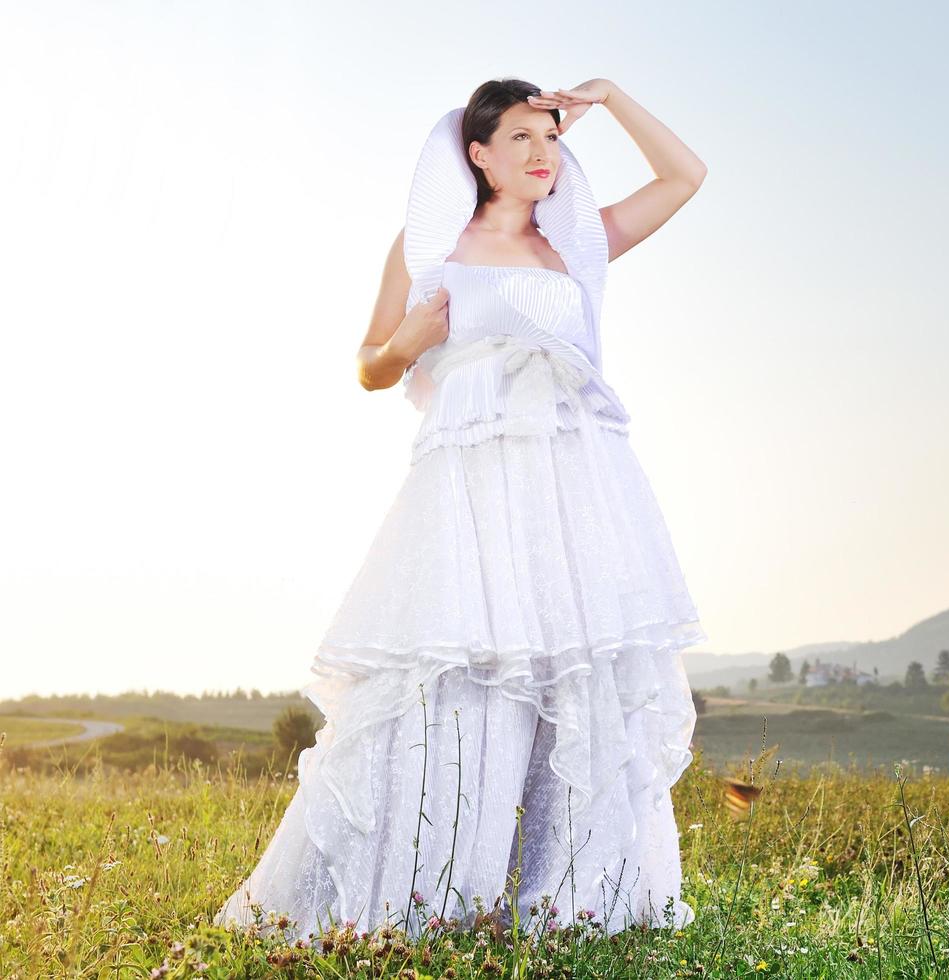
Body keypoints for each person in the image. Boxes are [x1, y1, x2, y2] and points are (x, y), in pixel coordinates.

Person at [214, 77, 710, 943]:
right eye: (520, 136)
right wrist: (404, 344)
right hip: (471, 489)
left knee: (579, 670)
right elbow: (370, 364)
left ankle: (577, 900)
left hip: (575, 489)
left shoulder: (576, 246)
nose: (542, 151)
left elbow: (685, 176)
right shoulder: (429, 247)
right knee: (460, 671)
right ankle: (425, 891)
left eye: (551, 137)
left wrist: (614, 98)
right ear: (476, 155)